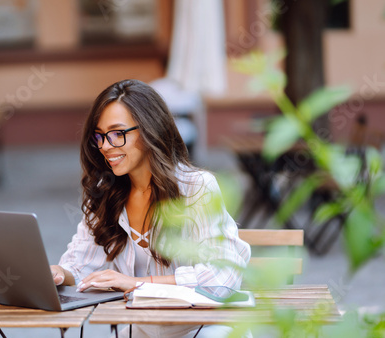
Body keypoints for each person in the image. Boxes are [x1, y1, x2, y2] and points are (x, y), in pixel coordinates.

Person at [50, 79, 251, 337]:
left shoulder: (196, 187)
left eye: (117, 133)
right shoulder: (105, 194)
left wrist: (136, 284)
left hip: (205, 328)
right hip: (143, 330)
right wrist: (58, 274)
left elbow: (223, 277)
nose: (105, 146)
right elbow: (80, 269)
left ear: (149, 131)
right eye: (99, 136)